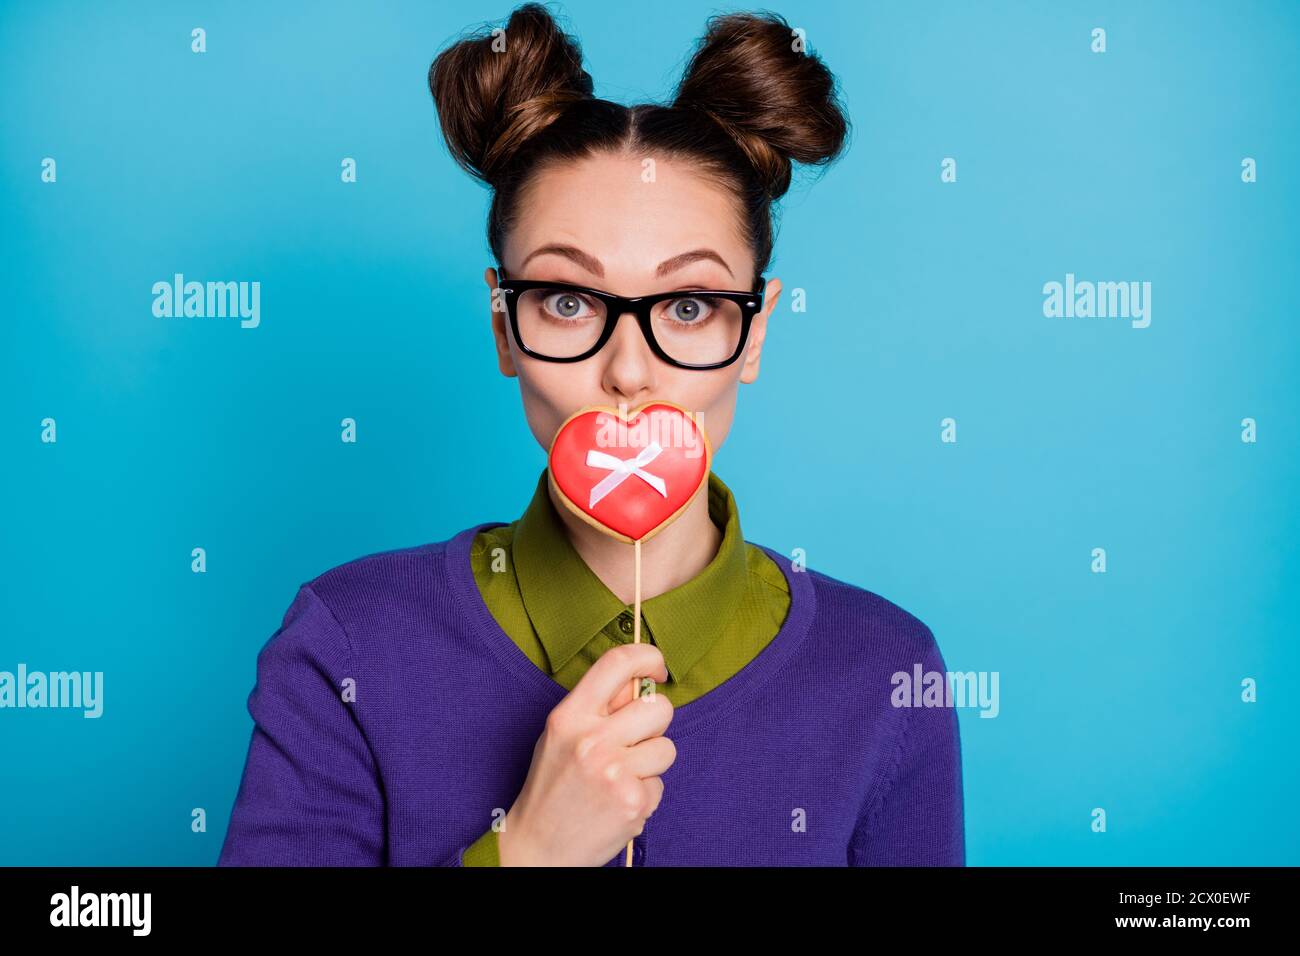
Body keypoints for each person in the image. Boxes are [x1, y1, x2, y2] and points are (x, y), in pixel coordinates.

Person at [217, 2, 964, 867]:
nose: (629, 372)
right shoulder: (346, 642)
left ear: (752, 334)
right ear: (504, 326)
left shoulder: (883, 670)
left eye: (689, 308)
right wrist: (528, 853)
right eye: (568, 302)